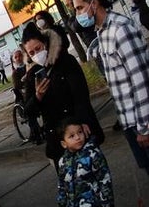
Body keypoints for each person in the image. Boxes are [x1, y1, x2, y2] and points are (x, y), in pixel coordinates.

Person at [69, 0, 149, 207]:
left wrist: (144, 126)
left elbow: (140, 81)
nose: (78, 14)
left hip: (141, 120)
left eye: (80, 8)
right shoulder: (102, 32)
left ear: (94, 4)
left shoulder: (120, 29)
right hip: (128, 119)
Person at [20, 21, 103, 163]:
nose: (36, 54)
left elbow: (81, 96)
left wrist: (82, 122)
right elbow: (28, 111)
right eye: (31, 53)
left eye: (38, 48)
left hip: (78, 133)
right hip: (57, 139)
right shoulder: (32, 75)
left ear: (45, 43)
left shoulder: (66, 61)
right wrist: (38, 96)